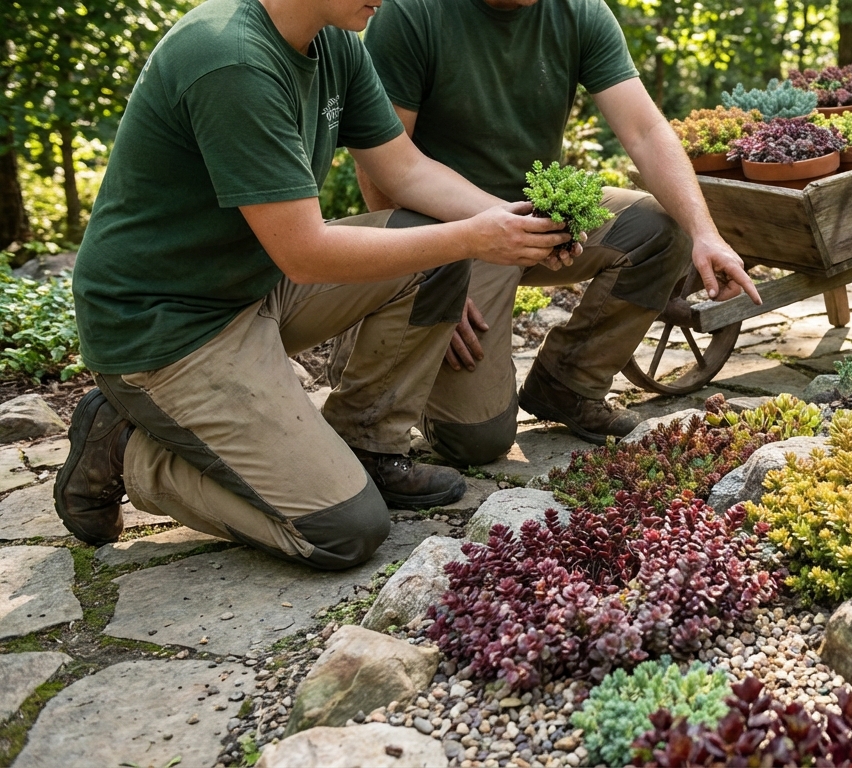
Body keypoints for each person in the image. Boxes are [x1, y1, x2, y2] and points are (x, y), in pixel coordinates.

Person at [54, 0, 577, 570]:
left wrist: (515, 223)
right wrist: (472, 239)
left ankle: (369, 443)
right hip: (168, 327)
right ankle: (125, 451)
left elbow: (405, 170)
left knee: (436, 244)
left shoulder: (334, 42)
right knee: (344, 532)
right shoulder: (230, 58)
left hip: (254, 285)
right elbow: (304, 253)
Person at [356, 0, 762, 462]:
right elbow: (382, 164)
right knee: (478, 441)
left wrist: (705, 232)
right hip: (449, 236)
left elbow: (646, 131)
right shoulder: (412, 13)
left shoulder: (580, 11)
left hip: (541, 218)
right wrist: (426, 283)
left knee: (661, 228)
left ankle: (567, 384)